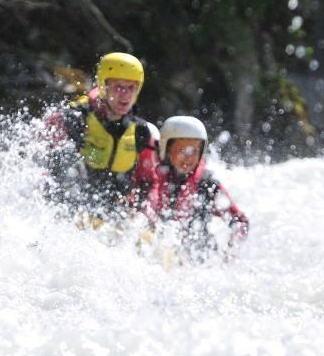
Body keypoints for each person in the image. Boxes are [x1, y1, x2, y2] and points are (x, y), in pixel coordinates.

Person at [43, 51, 158, 217]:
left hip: (112, 216)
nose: (125, 94)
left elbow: (148, 181)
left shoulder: (140, 131)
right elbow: (44, 162)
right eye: (118, 87)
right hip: (70, 209)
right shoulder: (73, 118)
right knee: (65, 159)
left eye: (131, 87)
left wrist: (146, 209)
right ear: (103, 87)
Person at [132, 115, 248, 260]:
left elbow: (240, 222)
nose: (189, 157)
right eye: (183, 150)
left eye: (195, 151)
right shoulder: (150, 176)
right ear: (166, 148)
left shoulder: (206, 184)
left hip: (195, 257)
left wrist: (230, 251)